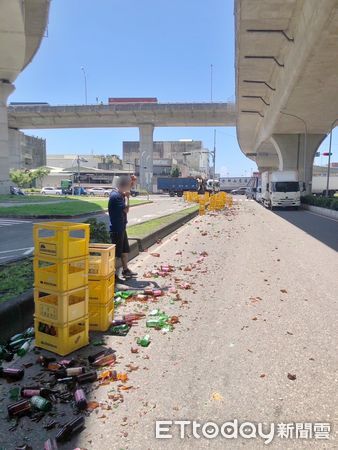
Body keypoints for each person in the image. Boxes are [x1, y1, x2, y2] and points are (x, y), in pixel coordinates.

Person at [108, 176, 137, 282]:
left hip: (121, 227)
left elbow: (128, 188)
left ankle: (125, 270)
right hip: (117, 229)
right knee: (116, 254)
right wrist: (128, 198)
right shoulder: (116, 196)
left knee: (124, 251)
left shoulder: (119, 194)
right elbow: (126, 210)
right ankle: (113, 275)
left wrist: (132, 182)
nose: (127, 190)